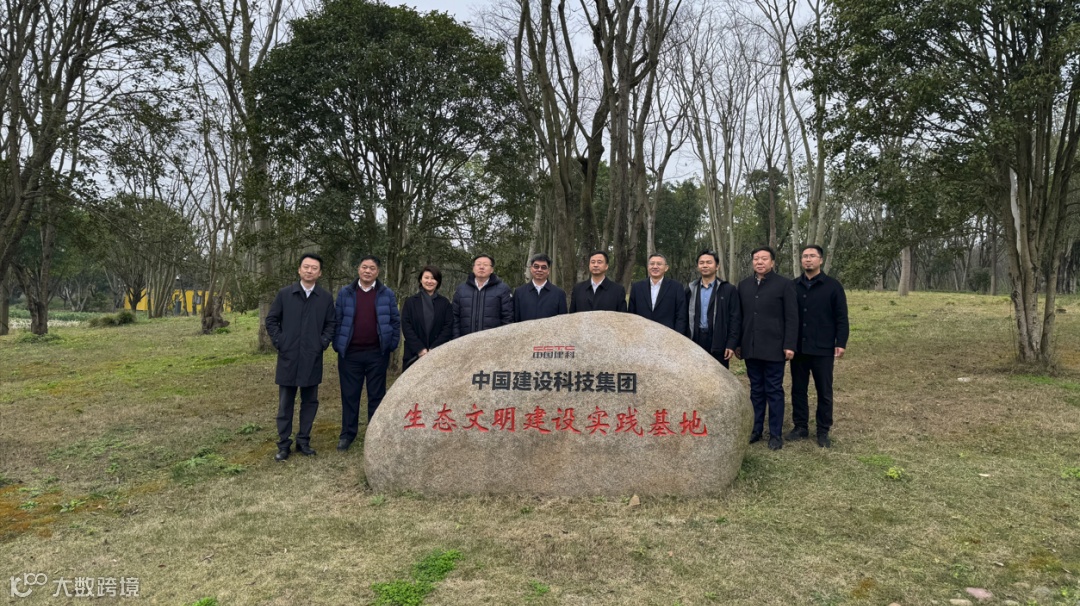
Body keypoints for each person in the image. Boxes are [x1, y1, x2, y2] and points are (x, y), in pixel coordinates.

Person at [264, 253, 336, 461]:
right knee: (285, 403)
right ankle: (283, 444)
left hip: (312, 357)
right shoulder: (285, 294)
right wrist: (280, 341)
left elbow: (331, 324)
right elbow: (271, 320)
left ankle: (303, 440)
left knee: (310, 401)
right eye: (306, 267)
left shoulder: (324, 298)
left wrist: (322, 343)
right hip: (288, 356)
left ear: (319, 273)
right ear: (299, 269)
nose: (309, 270)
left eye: (314, 268)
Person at [333, 255, 400, 451]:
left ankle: (375, 434)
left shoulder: (386, 294)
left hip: (377, 353)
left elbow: (395, 321)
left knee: (376, 395)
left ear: (377, 272)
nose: (368, 271)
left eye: (372, 268)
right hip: (350, 354)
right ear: (358, 269)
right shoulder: (345, 293)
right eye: (364, 267)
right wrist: (338, 344)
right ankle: (347, 434)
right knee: (350, 395)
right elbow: (337, 320)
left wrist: (391, 344)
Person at [736, 246, 797, 451]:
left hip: (774, 347)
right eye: (756, 259)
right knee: (756, 390)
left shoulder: (784, 285)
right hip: (751, 347)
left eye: (764, 259)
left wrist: (789, 345)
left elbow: (792, 317)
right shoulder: (744, 285)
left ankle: (775, 433)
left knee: (774, 390)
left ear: (772, 262)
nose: (759, 262)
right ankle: (756, 429)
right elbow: (739, 317)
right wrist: (738, 343)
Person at [789, 245, 849, 448]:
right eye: (805, 256)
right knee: (798, 389)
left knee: (824, 390)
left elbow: (841, 317)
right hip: (799, 348)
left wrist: (841, 342)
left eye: (812, 256)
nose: (808, 259)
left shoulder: (833, 286)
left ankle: (823, 430)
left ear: (820, 260)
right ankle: (800, 426)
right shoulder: (793, 286)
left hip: (822, 348)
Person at [686, 250, 741, 368]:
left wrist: (731, 344)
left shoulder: (728, 289)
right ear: (698, 267)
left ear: (717, 266)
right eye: (701, 263)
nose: (705, 265)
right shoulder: (691, 289)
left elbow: (735, 318)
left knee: (719, 375)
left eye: (709, 262)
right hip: (695, 339)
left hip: (718, 340)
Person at [401, 266, 454, 371]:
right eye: (426, 278)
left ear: (438, 281)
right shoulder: (410, 302)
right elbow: (406, 326)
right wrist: (420, 349)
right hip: (413, 354)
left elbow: (448, 327)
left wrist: (434, 348)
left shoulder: (445, 303)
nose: (429, 281)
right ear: (421, 280)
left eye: (433, 278)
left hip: (438, 353)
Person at [452, 253, 513, 337]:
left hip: (492, 340)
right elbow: (454, 317)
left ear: (492, 270)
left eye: (485, 265)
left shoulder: (503, 289)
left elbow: (508, 317)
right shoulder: (461, 289)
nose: (481, 267)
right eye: (478, 264)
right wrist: (456, 338)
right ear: (473, 268)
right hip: (465, 340)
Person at [628, 253, 687, 334]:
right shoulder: (637, 287)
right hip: (642, 334)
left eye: (659, 264)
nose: (655, 267)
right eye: (652, 264)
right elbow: (631, 314)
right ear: (648, 267)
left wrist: (678, 336)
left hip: (668, 335)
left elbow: (681, 315)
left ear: (666, 268)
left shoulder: (676, 287)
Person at [513, 253, 568, 322]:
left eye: (543, 267)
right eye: (536, 266)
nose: (539, 270)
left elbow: (563, 321)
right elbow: (515, 320)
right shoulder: (519, 292)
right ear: (531, 269)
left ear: (548, 271)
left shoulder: (559, 294)